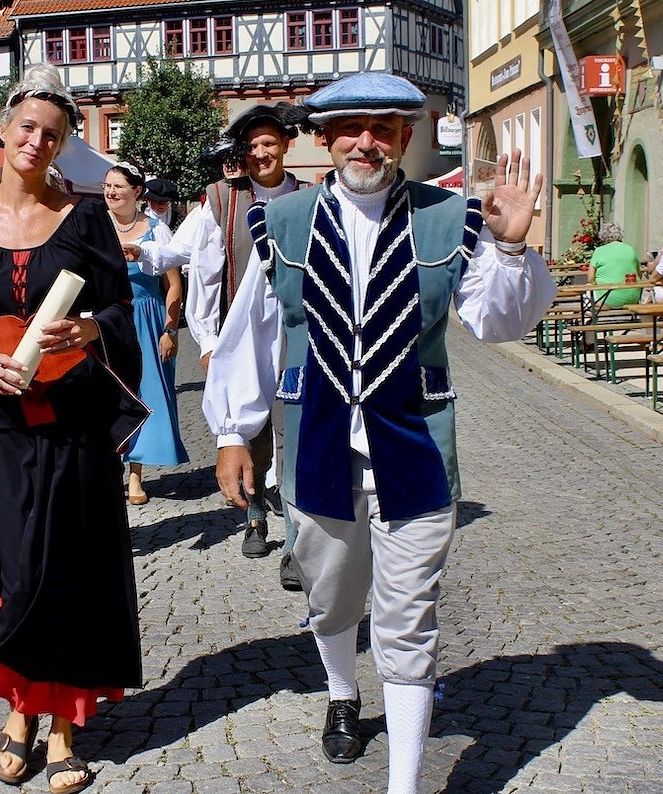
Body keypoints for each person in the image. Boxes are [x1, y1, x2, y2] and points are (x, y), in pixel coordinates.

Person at [202, 71, 556, 792]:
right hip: (318, 448)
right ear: (326, 138)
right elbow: (253, 332)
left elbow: (498, 322)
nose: (367, 142)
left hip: (416, 448)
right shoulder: (284, 222)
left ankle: (404, 785)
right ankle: (342, 692)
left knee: (407, 622)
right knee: (331, 596)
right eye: (350, 128)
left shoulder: (446, 217)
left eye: (384, 128)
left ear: (405, 135)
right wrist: (234, 431)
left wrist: (513, 248)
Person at [0, 62, 143, 794]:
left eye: (52, 134)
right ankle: (19, 710)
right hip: (5, 432)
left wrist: (90, 329)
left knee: (71, 570)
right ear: (4, 129)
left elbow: (119, 309)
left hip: (75, 429)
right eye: (28, 127)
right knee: (19, 573)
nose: (37, 142)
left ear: (62, 144)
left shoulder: (85, 220)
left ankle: (62, 729)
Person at [173, 103, 311, 584]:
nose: (260, 153)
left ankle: (295, 539)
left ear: (286, 145)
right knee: (249, 430)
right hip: (241, 334)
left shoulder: (311, 198)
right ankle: (255, 516)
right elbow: (206, 275)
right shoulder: (221, 199)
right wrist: (208, 341)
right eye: (251, 146)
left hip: (298, 332)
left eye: (269, 143)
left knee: (295, 430)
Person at [103, 163, 189, 504]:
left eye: (118, 186)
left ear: (136, 191)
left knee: (146, 395)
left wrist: (170, 330)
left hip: (147, 318)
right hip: (107, 321)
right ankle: (108, 467)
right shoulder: (95, 226)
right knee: (108, 395)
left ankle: (135, 474)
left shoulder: (157, 230)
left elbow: (173, 286)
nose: (111, 192)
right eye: (107, 186)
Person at [588, 222, 642, 308]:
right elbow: (639, 274)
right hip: (632, 299)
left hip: (606, 298)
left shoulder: (599, 251)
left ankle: (595, 311)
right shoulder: (630, 249)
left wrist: (595, 283)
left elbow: (590, 278)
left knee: (588, 289)